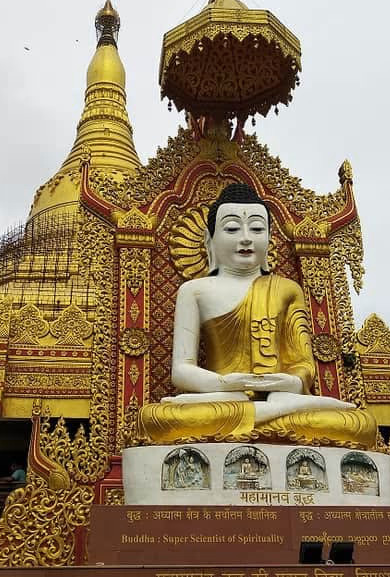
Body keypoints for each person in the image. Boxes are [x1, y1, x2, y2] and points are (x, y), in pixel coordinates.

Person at [135, 183, 376, 447]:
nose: (246, 237)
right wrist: (226, 383)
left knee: (357, 423)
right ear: (209, 241)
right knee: (156, 419)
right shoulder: (194, 291)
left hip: (280, 400)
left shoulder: (287, 289)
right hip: (224, 399)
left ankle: (263, 416)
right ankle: (263, 418)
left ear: (269, 238)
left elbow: (303, 366)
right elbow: (181, 371)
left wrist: (289, 382)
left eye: (257, 229)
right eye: (232, 228)